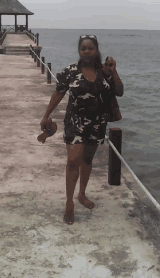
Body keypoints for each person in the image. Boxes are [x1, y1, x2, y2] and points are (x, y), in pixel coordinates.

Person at [40, 35, 124, 225]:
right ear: (79, 51)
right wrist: (46, 115)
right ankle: (69, 202)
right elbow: (58, 93)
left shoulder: (104, 72)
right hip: (75, 123)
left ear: (96, 50)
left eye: (90, 48)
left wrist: (114, 71)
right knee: (72, 161)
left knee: (87, 160)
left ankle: (82, 194)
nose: (86, 51)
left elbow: (119, 91)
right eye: (83, 48)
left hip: (96, 124)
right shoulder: (70, 72)